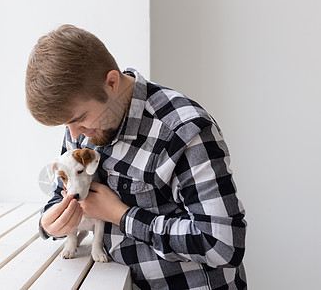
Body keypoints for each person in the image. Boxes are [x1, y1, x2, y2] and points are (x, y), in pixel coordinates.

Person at [25, 24, 247, 290]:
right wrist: (50, 222)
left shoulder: (185, 131)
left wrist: (120, 215)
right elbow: (59, 191)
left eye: (80, 119)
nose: (74, 134)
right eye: (66, 124)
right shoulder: (83, 128)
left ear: (111, 83)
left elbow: (223, 245)